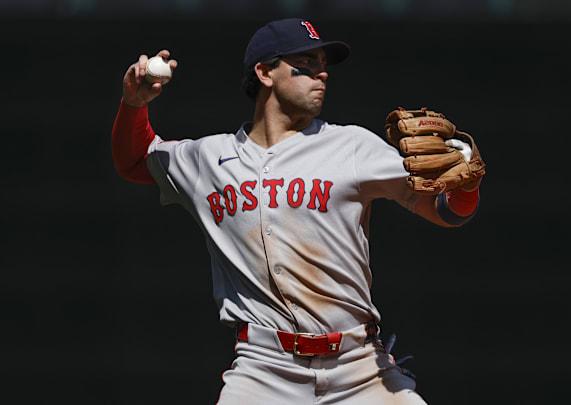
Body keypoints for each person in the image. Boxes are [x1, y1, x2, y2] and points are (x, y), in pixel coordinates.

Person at [112, 18, 482, 404]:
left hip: (359, 367)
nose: (321, 73)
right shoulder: (207, 158)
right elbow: (135, 160)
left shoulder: (351, 145)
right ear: (264, 72)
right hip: (263, 368)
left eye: (323, 64)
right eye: (304, 64)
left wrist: (466, 185)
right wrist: (133, 106)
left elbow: (446, 210)